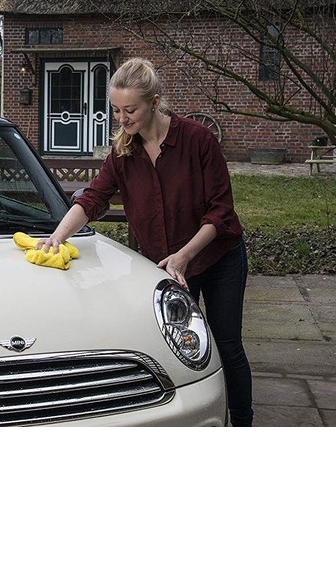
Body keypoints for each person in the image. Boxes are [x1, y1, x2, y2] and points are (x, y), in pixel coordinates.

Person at [39, 58, 253, 426]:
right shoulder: (123, 152)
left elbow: (221, 211)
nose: (121, 119)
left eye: (130, 110)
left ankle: (243, 425)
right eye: (115, 110)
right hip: (166, 267)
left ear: (154, 103)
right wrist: (58, 237)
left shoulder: (198, 140)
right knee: (177, 347)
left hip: (218, 259)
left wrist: (184, 255)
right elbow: (92, 199)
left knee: (226, 344)